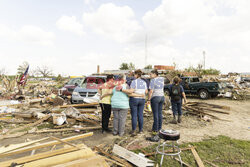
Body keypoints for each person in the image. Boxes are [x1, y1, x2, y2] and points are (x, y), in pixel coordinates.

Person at [129, 69, 148, 136]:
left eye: (134, 74)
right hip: (142, 99)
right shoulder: (144, 82)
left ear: (136, 75)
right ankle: (140, 130)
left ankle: (133, 130)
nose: (134, 76)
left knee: (134, 115)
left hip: (135, 99)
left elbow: (131, 91)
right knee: (140, 115)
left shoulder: (134, 82)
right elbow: (146, 92)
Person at [147, 69, 165, 135]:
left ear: (155, 74)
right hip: (162, 97)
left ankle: (155, 129)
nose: (150, 75)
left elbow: (151, 91)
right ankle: (160, 128)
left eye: (151, 74)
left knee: (155, 114)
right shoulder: (162, 79)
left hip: (155, 97)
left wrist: (148, 99)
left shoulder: (153, 80)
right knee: (160, 113)